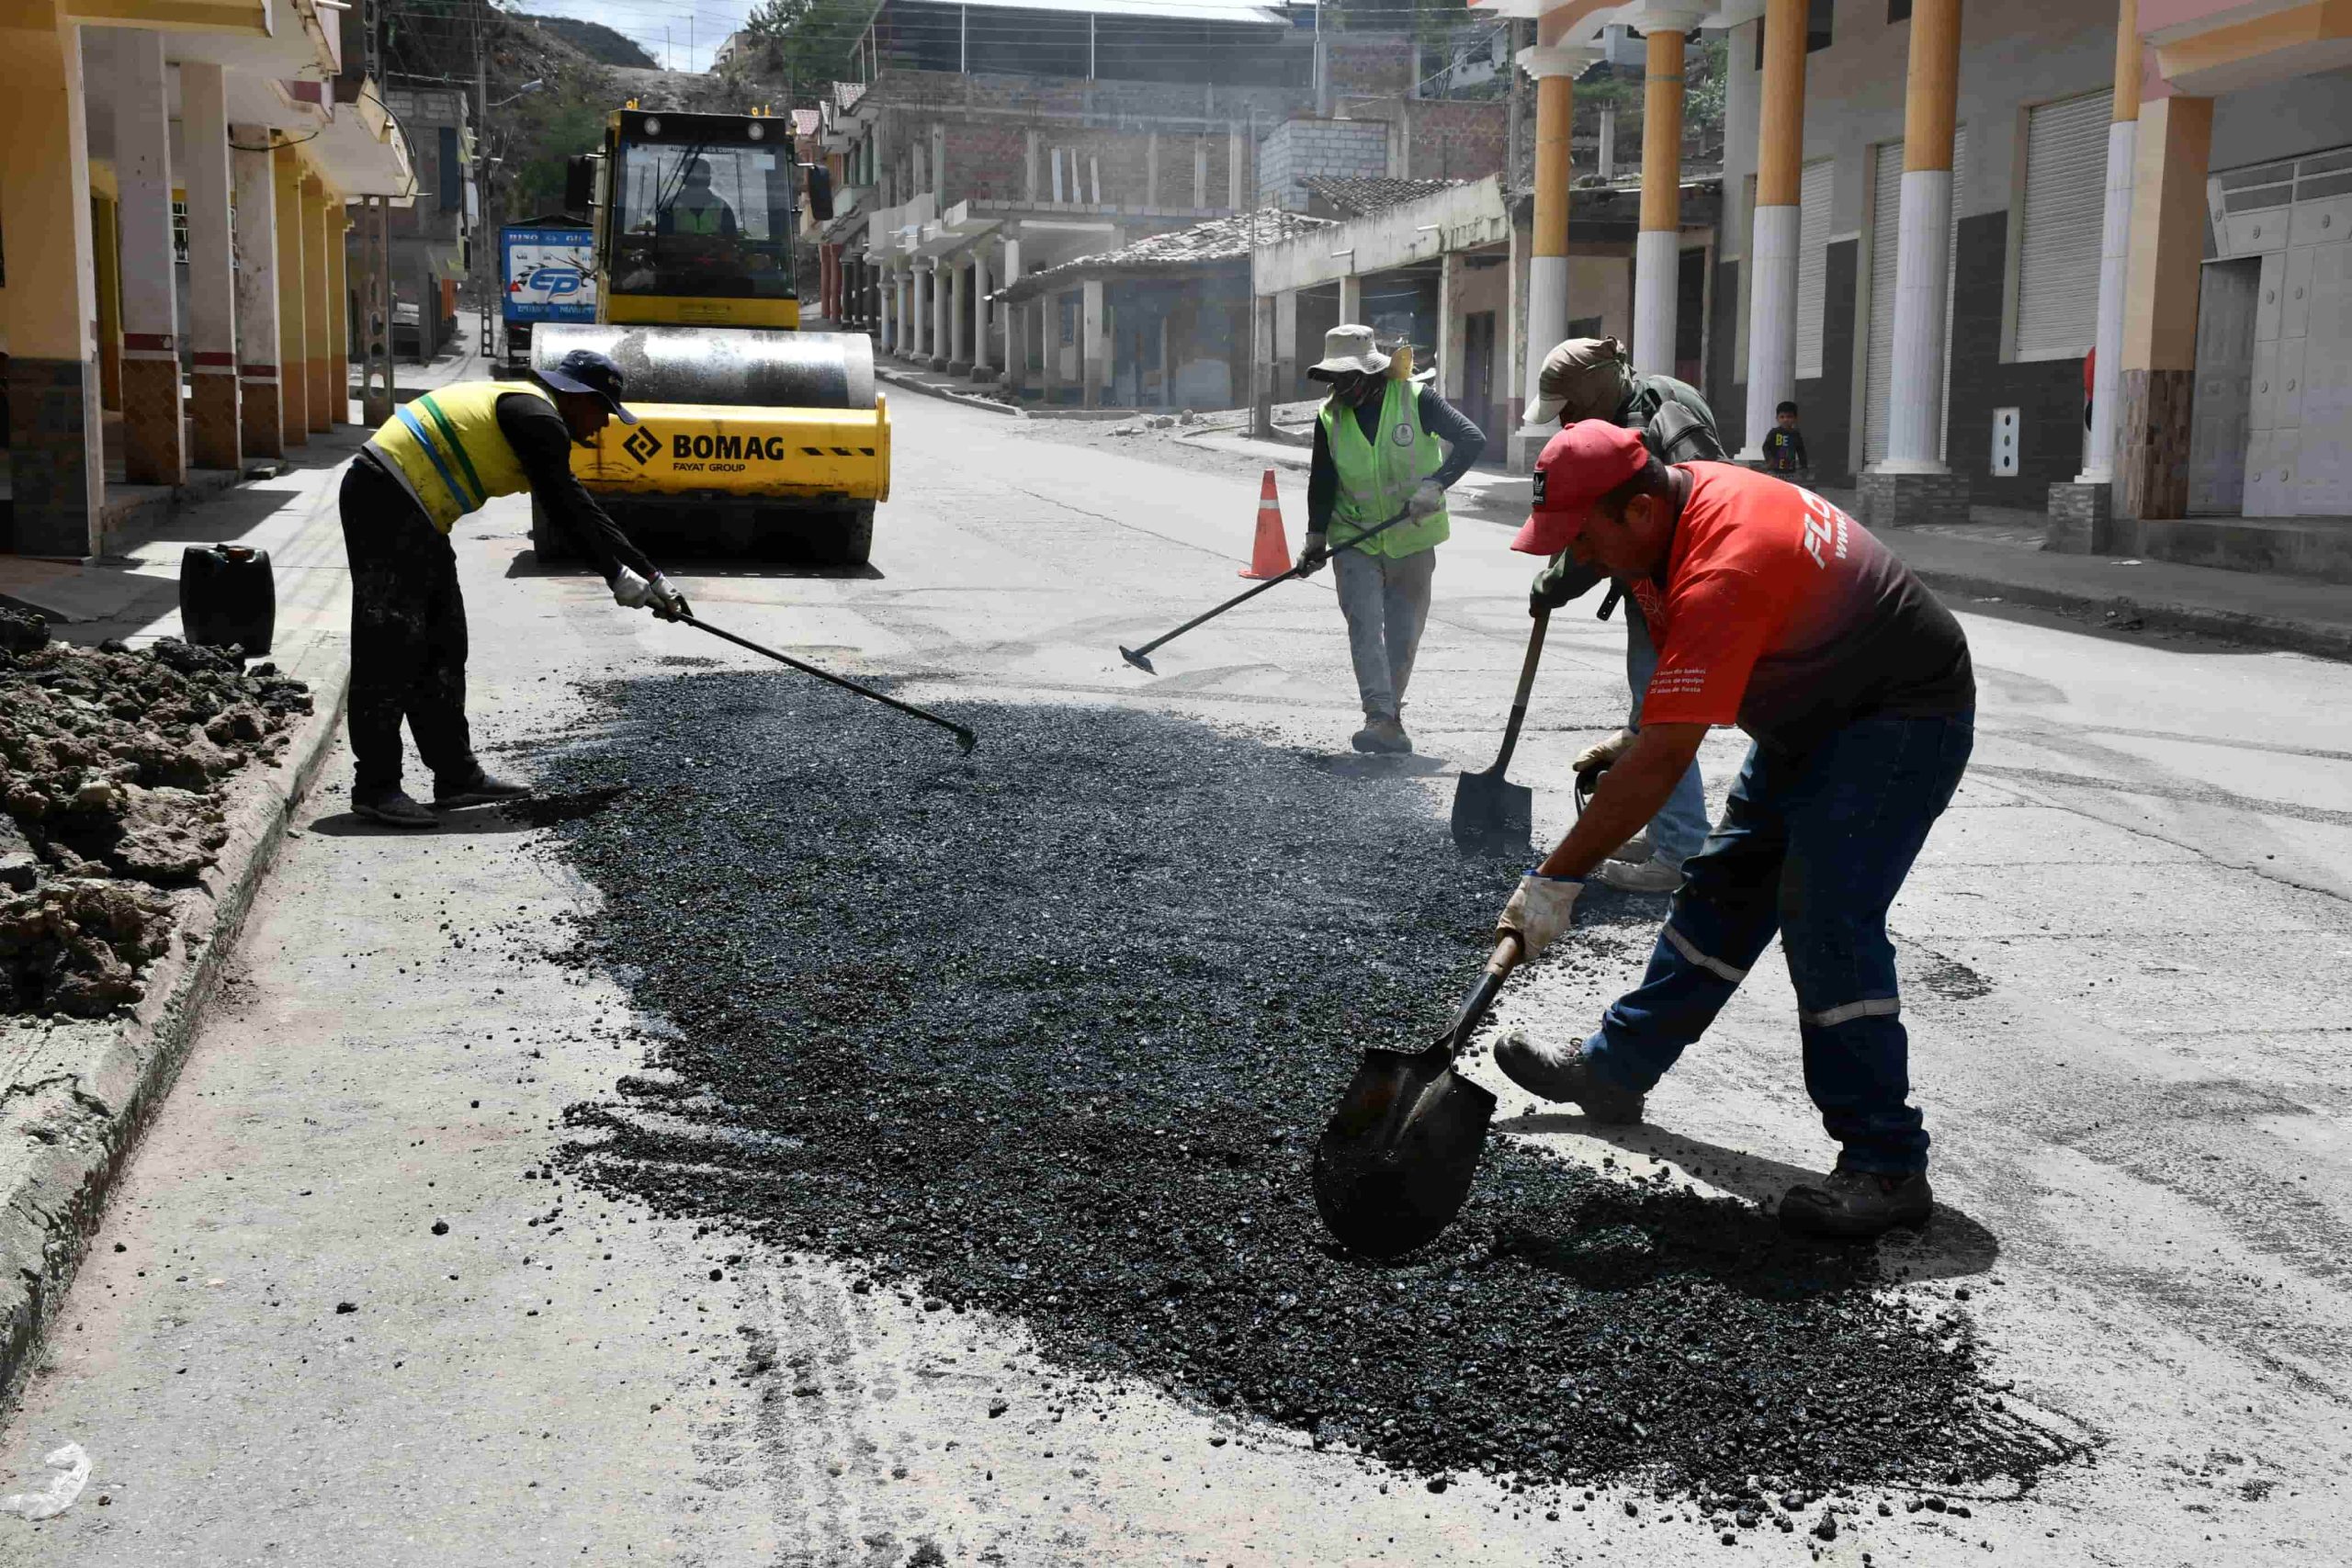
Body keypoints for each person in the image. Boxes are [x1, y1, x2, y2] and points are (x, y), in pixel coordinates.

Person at [1489, 422, 1976, 1240]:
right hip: (1812, 711)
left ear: (1639, 510)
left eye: (1585, 535)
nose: (1579, 554)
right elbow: (1684, 691)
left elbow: (1665, 762)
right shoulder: (1669, 522)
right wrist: (1640, 733)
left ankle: (1887, 1163)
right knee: (1725, 887)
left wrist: (1554, 880)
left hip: (1900, 717)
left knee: (1827, 915)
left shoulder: (1723, 562)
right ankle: (1615, 1073)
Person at [341, 349, 691, 829]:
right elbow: (564, 510)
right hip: (384, 497)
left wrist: (652, 577)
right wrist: (615, 575)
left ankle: (456, 776)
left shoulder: (534, 413)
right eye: (603, 410)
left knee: (443, 644)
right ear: (576, 397)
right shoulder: (537, 418)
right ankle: (376, 787)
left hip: (415, 512)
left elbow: (581, 506)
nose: (604, 424)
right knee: (392, 646)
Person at [1526, 336, 1724, 896]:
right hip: (1667, 582)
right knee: (1652, 710)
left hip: (1674, 588)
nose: (1562, 420)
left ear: (1592, 392)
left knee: (1663, 717)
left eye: (1567, 406)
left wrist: (1553, 585)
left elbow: (1604, 534)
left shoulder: (1637, 429)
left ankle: (1680, 851)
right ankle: (1663, 829)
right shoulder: (1663, 393)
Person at [1297, 324, 1486, 755]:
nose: (1338, 389)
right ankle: (1378, 716)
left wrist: (1436, 484)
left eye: (1346, 379)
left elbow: (1471, 439)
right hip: (1355, 536)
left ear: (1369, 373)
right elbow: (1322, 480)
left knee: (1403, 635)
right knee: (1364, 626)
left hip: (1412, 538)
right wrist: (1315, 538)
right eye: (1333, 379)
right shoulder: (1329, 416)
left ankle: (1391, 717)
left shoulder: (1416, 399)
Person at [657, 158, 740, 237]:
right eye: (693, 184)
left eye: (699, 184)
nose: (696, 191)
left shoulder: (722, 208)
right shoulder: (670, 207)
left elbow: (731, 240)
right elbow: (663, 240)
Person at [1760, 400, 1809, 477]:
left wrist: (1804, 466)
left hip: (1790, 470)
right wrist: (1770, 460)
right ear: (1777, 418)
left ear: (1795, 418)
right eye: (1782, 417)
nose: (1785, 420)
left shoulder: (1795, 434)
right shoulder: (1774, 433)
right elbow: (1765, 447)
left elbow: (1801, 451)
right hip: (1774, 470)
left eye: (1789, 417)